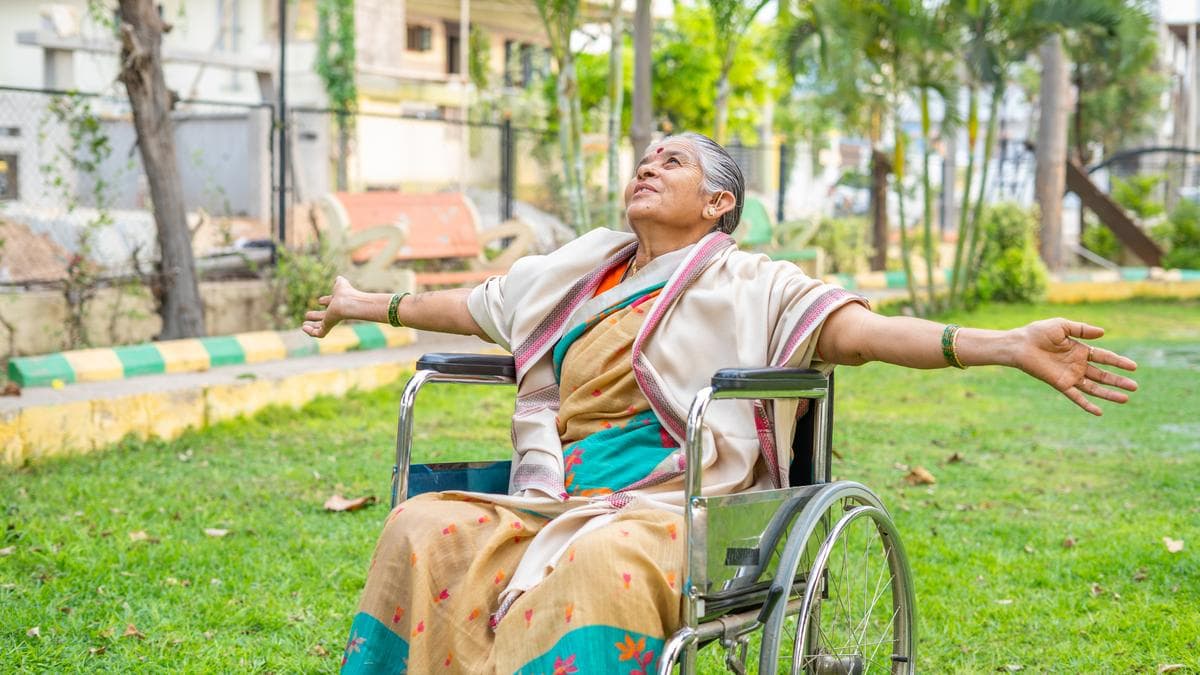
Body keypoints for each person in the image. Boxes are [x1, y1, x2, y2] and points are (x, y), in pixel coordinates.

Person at [302, 132, 1138, 674]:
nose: (647, 166)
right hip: (554, 491)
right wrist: (360, 301)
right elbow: (470, 306)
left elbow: (865, 334)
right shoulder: (574, 274)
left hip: (680, 501)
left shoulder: (752, 282)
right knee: (420, 525)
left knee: (601, 560)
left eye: (673, 161)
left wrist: (1004, 344)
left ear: (718, 204)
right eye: (644, 158)